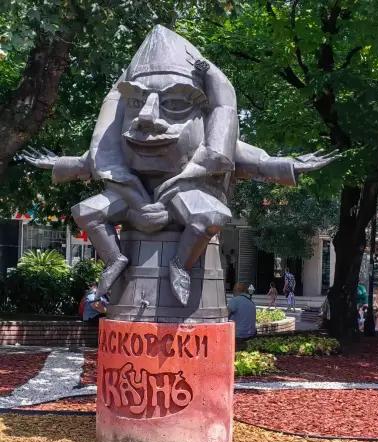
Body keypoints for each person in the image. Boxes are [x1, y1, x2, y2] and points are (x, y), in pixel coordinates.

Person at [22, 26, 337, 307]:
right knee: (86, 211)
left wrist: (292, 166)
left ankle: (179, 266)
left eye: (173, 104)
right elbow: (90, 161)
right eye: (136, 103)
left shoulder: (209, 144)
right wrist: (59, 164)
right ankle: (115, 260)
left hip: (182, 202)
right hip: (133, 204)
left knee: (208, 215)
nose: (149, 117)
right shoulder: (117, 145)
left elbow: (260, 162)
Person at [227, 282, 256, 347]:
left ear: (236, 290)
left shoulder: (235, 300)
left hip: (238, 336)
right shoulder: (251, 302)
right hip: (251, 335)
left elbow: (225, 316)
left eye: (233, 290)